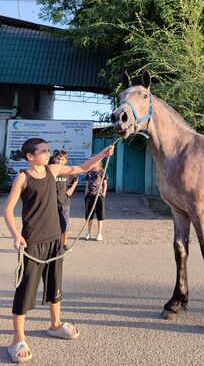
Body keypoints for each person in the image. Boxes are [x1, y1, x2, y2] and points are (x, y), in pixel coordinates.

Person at [3, 138, 114, 363]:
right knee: (25, 290)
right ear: (30, 156)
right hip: (32, 242)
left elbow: (81, 168)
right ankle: (18, 338)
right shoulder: (23, 178)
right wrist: (17, 236)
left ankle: (55, 325)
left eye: (47, 150)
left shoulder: (52, 170)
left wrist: (102, 155)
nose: (48, 154)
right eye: (43, 151)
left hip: (55, 239)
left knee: (55, 285)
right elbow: (7, 210)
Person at [54, 150, 78, 251]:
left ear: (66, 160)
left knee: (65, 224)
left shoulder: (67, 171)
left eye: (62, 159)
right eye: (58, 159)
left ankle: (65, 244)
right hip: (52, 203)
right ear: (54, 159)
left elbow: (76, 180)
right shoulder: (51, 170)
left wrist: (71, 189)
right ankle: (56, 245)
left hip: (64, 202)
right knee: (54, 224)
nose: (60, 161)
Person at [84, 159, 107, 241]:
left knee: (100, 215)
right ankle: (89, 232)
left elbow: (105, 184)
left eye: (96, 160)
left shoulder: (102, 171)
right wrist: (86, 193)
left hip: (99, 196)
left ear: (99, 162)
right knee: (89, 216)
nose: (94, 162)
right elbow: (87, 183)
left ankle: (99, 233)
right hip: (90, 196)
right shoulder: (89, 171)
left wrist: (103, 194)